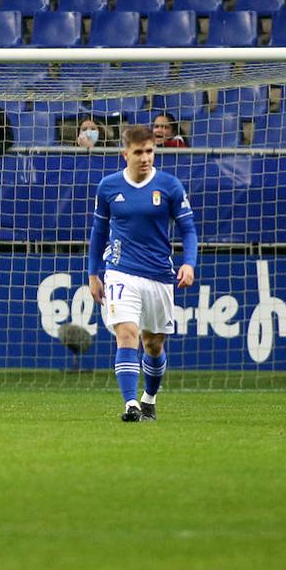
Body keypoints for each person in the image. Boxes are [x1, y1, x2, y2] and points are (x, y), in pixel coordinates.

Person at [88, 124, 198, 422]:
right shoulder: (109, 186)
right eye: (139, 152)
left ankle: (148, 398)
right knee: (127, 334)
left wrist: (189, 262)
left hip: (160, 275)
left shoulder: (170, 185)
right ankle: (130, 404)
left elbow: (188, 229)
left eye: (150, 151)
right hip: (120, 272)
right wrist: (93, 273)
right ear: (126, 154)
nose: (146, 157)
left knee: (153, 343)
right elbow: (99, 232)